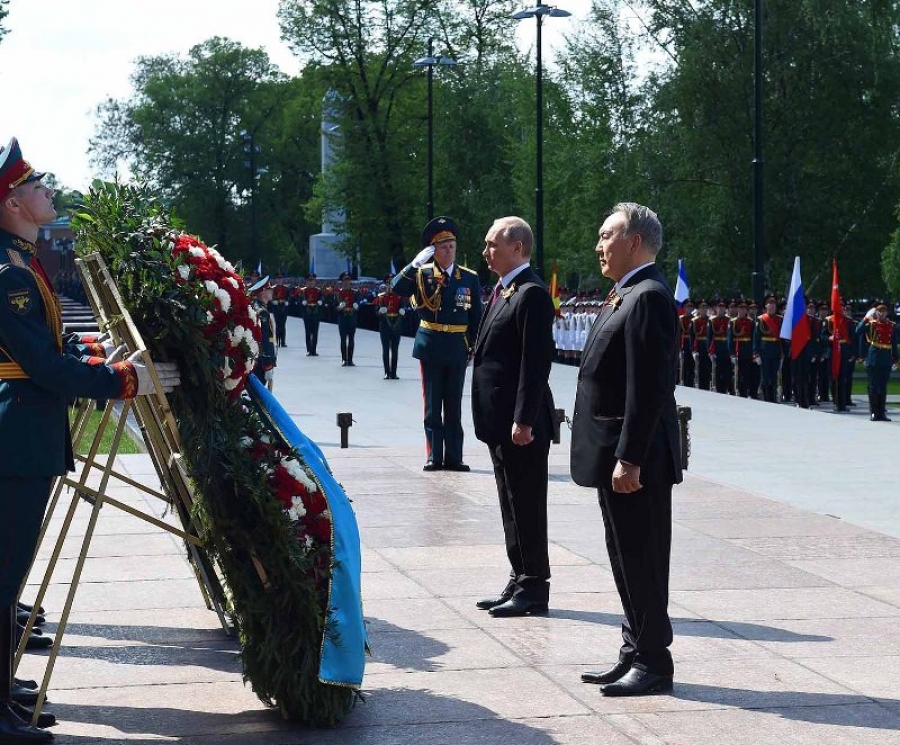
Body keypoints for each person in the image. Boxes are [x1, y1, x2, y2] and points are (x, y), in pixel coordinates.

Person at [0, 137, 181, 742]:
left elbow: (44, 352)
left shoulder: (21, 263)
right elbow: (42, 369)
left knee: (10, 572)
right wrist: (124, 379)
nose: (47, 190)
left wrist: (89, 353)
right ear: (13, 202)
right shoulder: (9, 274)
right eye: (36, 185)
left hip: (25, 430)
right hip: (16, 436)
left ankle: (3, 691)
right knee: (3, 575)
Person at [571, 203, 681, 697]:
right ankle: (635, 649)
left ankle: (655, 662)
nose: (599, 245)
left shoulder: (650, 297)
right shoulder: (625, 294)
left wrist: (630, 456)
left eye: (606, 235)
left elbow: (650, 387)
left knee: (643, 558)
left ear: (634, 241)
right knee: (624, 555)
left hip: (636, 460)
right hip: (613, 454)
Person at [471, 217, 555, 618]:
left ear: (517, 247)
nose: (486, 252)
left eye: (492, 245)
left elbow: (535, 363)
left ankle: (535, 587)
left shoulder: (532, 294)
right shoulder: (506, 290)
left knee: (526, 503)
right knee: (510, 502)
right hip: (500, 421)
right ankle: (520, 576)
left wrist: (524, 419)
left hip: (521, 424)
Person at [392, 217, 482, 471]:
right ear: (433, 250)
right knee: (433, 406)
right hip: (431, 345)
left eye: (452, 245)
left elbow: (476, 315)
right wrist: (414, 263)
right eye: (443, 246)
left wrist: (474, 345)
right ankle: (434, 455)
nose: (448, 250)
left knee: (453, 405)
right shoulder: (422, 274)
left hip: (457, 346)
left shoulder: (469, 278)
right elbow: (396, 288)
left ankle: (455, 456)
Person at [857, 301, 898, 421]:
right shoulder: (871, 324)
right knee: (873, 386)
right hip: (874, 356)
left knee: (883, 386)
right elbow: (858, 331)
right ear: (876, 313)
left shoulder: (891, 325)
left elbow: (894, 343)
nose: (882, 314)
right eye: (880, 312)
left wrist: (896, 359)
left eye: (884, 312)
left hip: (885, 358)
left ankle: (882, 413)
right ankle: (874, 412)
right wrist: (865, 319)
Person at [373, 274, 405, 379]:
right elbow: (376, 313)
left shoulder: (399, 297)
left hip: (396, 325)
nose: (390, 285)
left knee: (395, 350)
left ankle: (394, 372)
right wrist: (380, 312)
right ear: (385, 284)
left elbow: (403, 311)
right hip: (384, 325)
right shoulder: (381, 297)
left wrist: (399, 318)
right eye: (388, 282)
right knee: (386, 349)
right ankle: (387, 372)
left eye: (392, 282)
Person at [753, 295, 782, 403]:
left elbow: (783, 339)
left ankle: (773, 398)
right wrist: (756, 354)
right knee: (765, 377)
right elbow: (756, 338)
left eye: (774, 303)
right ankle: (766, 398)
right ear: (766, 306)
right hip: (764, 352)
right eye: (770, 303)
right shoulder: (760, 319)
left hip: (776, 351)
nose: (772, 305)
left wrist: (782, 354)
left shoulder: (780, 319)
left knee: (774, 377)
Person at [249, 276, 276, 389]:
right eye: (269, 289)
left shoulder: (256, 307)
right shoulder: (263, 313)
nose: (272, 291)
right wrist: (268, 366)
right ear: (263, 292)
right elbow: (265, 340)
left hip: (256, 360)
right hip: (261, 362)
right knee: (258, 395)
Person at [335, 272, 359, 367]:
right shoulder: (339, 293)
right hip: (342, 317)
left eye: (348, 279)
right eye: (345, 280)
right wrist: (339, 307)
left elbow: (358, 302)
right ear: (342, 281)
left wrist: (357, 306)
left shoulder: (355, 292)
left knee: (351, 338)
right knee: (343, 339)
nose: (347, 281)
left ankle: (350, 359)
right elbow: (334, 307)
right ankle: (344, 359)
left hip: (352, 317)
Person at [298, 273, 322, 356]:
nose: (311, 282)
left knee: (315, 332)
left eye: (312, 280)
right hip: (307, 314)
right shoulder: (303, 291)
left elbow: (321, 299)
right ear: (306, 281)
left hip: (316, 313)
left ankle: (314, 350)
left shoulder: (318, 290)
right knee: (308, 332)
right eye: (309, 280)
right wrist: (302, 302)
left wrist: (321, 301)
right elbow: (298, 301)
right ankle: (309, 349)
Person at [270, 274, 290, 347]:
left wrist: (287, 302)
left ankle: (283, 341)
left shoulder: (286, 289)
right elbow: (270, 298)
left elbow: (289, 297)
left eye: (281, 279)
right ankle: (277, 341)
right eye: (278, 279)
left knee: (283, 324)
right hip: (276, 307)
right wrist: (273, 301)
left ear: (283, 280)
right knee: (278, 324)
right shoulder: (273, 288)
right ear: (276, 280)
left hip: (284, 307)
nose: (279, 280)